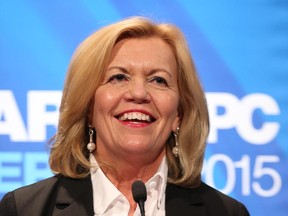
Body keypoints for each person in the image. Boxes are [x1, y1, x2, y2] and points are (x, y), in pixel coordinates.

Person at [0, 16, 249, 216]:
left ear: (179, 114)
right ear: (87, 106)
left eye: (158, 80)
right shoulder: (24, 209)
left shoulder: (226, 212)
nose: (139, 93)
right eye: (118, 77)